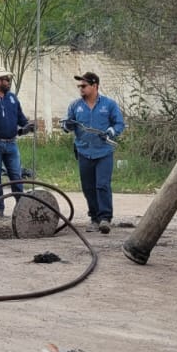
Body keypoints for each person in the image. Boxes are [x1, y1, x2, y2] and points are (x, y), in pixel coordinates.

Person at [63, 72, 125, 234]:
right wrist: (67, 126)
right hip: (84, 151)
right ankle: (94, 218)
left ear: (95, 86)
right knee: (88, 187)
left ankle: (105, 218)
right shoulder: (75, 106)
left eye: (84, 86)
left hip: (104, 152)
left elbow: (119, 124)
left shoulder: (109, 105)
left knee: (102, 185)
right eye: (79, 86)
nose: (81, 89)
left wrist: (111, 131)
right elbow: (66, 124)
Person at [0, 70, 32, 220]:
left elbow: (21, 119)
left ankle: (21, 208)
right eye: (6, 80)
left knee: (16, 176)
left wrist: (28, 126)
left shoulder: (12, 98)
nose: (9, 82)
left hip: (12, 143)